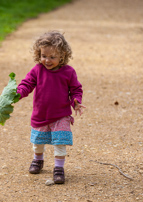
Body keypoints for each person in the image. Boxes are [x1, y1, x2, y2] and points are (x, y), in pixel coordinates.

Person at [16, 30, 86, 184]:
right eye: (43, 56)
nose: (47, 60)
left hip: (61, 115)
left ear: (62, 55)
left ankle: (59, 169)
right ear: (38, 54)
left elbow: (76, 89)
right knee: (38, 142)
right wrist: (18, 93)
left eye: (52, 57)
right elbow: (27, 84)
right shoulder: (37, 70)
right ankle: (38, 160)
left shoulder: (68, 72)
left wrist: (76, 100)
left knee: (59, 142)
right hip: (41, 114)